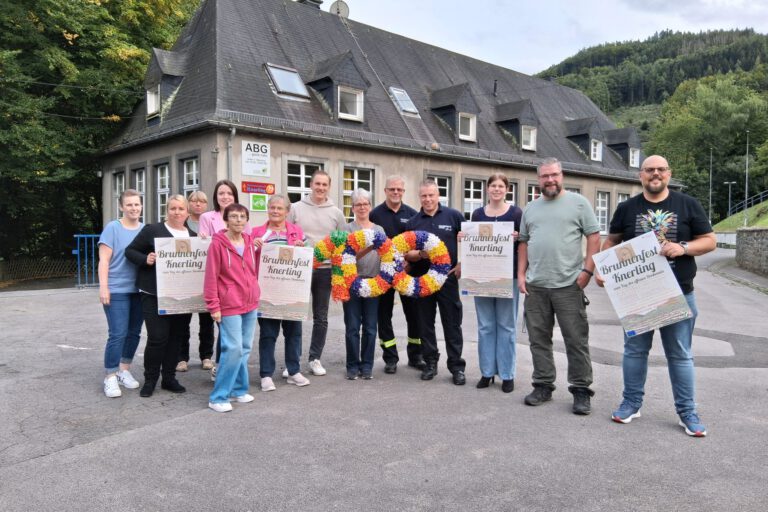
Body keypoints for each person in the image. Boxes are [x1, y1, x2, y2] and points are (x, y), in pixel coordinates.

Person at [597, 155, 716, 437]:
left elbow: (710, 240)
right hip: (637, 294)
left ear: (668, 174)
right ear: (641, 175)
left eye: (661, 169)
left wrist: (683, 247)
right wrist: (603, 267)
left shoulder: (687, 204)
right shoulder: (627, 208)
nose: (655, 174)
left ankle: (687, 412)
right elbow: (612, 241)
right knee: (635, 351)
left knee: (680, 355)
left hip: (678, 293)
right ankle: (631, 403)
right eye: (649, 170)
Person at [517, 157, 600, 415]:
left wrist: (588, 270)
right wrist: (521, 274)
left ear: (561, 175)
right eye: (544, 176)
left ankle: (581, 390)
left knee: (575, 340)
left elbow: (594, 236)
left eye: (554, 175)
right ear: (538, 179)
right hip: (536, 286)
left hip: (568, 285)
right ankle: (543, 385)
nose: (550, 180)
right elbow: (523, 242)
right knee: (538, 340)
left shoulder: (578, 203)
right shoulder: (530, 208)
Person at [125, 195, 194, 398]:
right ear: (167, 210)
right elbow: (130, 251)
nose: (177, 212)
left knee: (176, 338)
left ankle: (169, 378)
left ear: (187, 212)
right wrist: (145, 258)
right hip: (153, 293)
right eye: (173, 208)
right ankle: (150, 379)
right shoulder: (152, 230)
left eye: (181, 209)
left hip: (183, 296)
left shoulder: (194, 237)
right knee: (157, 338)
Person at [404, 179, 466, 385]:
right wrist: (421, 253)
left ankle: (457, 366)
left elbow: (468, 241)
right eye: (424, 196)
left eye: (431, 195)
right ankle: (430, 362)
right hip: (423, 279)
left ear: (438, 195)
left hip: (447, 279)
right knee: (425, 323)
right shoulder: (413, 222)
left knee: (452, 323)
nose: (428, 199)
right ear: (419, 197)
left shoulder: (454, 216)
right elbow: (408, 254)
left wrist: (462, 264)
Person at [287, 169, 346, 376]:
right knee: (295, 314)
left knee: (321, 316)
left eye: (324, 185)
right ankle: (291, 361)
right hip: (300, 269)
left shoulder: (336, 213)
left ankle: (315, 358)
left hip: (325, 270)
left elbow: (342, 243)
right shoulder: (295, 209)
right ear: (310, 185)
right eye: (317, 184)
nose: (320, 188)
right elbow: (287, 234)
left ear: (329, 187)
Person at [468, 174, 523, 393]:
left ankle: (507, 374)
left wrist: (519, 237)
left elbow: (525, 244)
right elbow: (473, 244)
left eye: (501, 186)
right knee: (485, 326)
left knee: (507, 326)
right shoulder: (478, 213)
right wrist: (465, 236)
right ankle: (487, 372)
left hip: (506, 276)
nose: (497, 189)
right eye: (493, 186)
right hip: (481, 276)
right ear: (487, 189)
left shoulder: (516, 213)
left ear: (507, 189)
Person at [204, 203, 261, 413]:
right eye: (234, 217)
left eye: (242, 217)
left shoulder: (248, 241)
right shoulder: (217, 244)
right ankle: (218, 396)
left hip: (249, 302)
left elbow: (252, 270)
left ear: (246, 220)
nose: (238, 220)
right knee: (233, 348)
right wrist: (213, 306)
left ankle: (238, 389)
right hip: (228, 304)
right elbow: (211, 277)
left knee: (244, 348)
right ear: (226, 220)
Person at [252, 194, 311, 390]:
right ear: (268, 209)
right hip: (267, 292)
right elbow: (245, 258)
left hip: (292, 291)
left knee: (294, 333)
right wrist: (253, 247)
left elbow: (308, 257)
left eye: (279, 208)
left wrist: (303, 247)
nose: (275, 211)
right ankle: (266, 374)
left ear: (287, 212)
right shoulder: (256, 232)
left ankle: (293, 371)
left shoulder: (297, 232)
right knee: (268, 334)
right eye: (272, 207)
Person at [369, 175, 424, 374]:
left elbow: (417, 243)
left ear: (403, 192)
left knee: (414, 314)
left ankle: (415, 355)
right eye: (392, 189)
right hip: (382, 274)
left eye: (399, 190)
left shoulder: (412, 214)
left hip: (407, 272)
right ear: (385, 191)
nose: (395, 193)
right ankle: (390, 358)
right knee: (383, 316)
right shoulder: (375, 214)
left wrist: (407, 264)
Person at [197, 180, 250, 381]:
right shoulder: (207, 217)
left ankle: (224, 368)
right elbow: (205, 246)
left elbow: (247, 245)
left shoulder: (242, 216)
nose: (225, 196)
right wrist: (202, 238)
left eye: (229, 193)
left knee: (232, 336)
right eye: (221, 193)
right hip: (220, 282)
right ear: (216, 196)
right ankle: (222, 370)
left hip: (238, 285)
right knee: (227, 333)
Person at [98, 189, 144, 398]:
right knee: (117, 333)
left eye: (137, 204)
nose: (134, 208)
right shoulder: (112, 228)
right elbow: (104, 261)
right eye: (129, 205)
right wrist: (103, 287)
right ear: (121, 207)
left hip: (139, 290)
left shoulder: (145, 229)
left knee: (134, 333)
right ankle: (109, 376)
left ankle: (123, 371)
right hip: (116, 289)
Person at [342, 189, 385, 380]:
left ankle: (367, 366)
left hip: (373, 282)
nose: (362, 207)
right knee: (352, 327)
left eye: (365, 204)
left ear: (370, 206)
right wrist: (367, 248)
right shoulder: (346, 230)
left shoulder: (379, 230)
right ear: (352, 208)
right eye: (358, 204)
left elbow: (387, 255)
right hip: (352, 282)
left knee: (370, 327)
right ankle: (352, 366)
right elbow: (345, 258)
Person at [177, 190, 215, 373]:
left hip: (206, 276)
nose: (198, 204)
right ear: (189, 204)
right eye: (194, 201)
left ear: (206, 205)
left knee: (206, 321)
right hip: (185, 277)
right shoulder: (181, 224)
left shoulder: (212, 222)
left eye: (202, 201)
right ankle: (181, 358)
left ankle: (206, 356)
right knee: (182, 320)